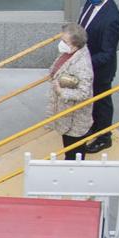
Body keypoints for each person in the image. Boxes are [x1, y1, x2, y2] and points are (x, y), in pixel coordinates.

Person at [78, 0, 119, 154]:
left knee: (102, 101)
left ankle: (104, 137)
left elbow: (107, 53)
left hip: (100, 68)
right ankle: (96, 127)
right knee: (93, 99)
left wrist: (83, 62)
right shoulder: (91, 1)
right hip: (87, 60)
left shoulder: (112, 18)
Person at [47, 21, 97, 158]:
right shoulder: (68, 53)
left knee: (74, 151)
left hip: (74, 120)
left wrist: (61, 91)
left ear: (74, 45)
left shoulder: (82, 66)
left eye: (64, 40)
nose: (61, 43)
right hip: (66, 115)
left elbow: (84, 93)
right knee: (69, 147)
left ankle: (73, 171)